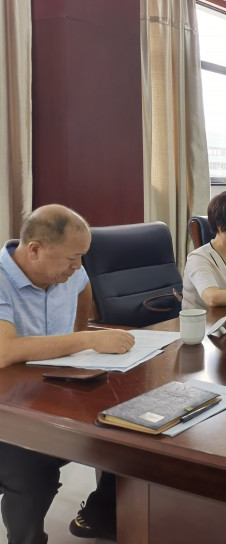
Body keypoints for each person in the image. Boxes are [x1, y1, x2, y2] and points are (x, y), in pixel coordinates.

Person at [0, 205, 135, 542]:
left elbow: (83, 286)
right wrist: (85, 339)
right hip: (10, 409)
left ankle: (103, 512)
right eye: (73, 259)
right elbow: (5, 351)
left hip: (56, 391)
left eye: (82, 257)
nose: (78, 267)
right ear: (35, 249)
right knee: (32, 472)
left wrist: (81, 329)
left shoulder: (69, 272)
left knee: (130, 429)